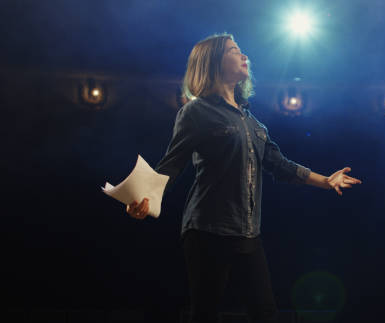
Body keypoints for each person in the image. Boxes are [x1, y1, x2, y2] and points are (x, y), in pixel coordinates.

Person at [126, 33, 361, 323]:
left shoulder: (252, 121)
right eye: (235, 51)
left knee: (265, 314)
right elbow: (171, 165)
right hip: (206, 232)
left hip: (249, 233)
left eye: (241, 51)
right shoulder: (196, 111)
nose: (244, 56)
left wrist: (326, 181)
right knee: (205, 314)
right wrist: (144, 200)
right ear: (214, 62)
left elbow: (280, 164)